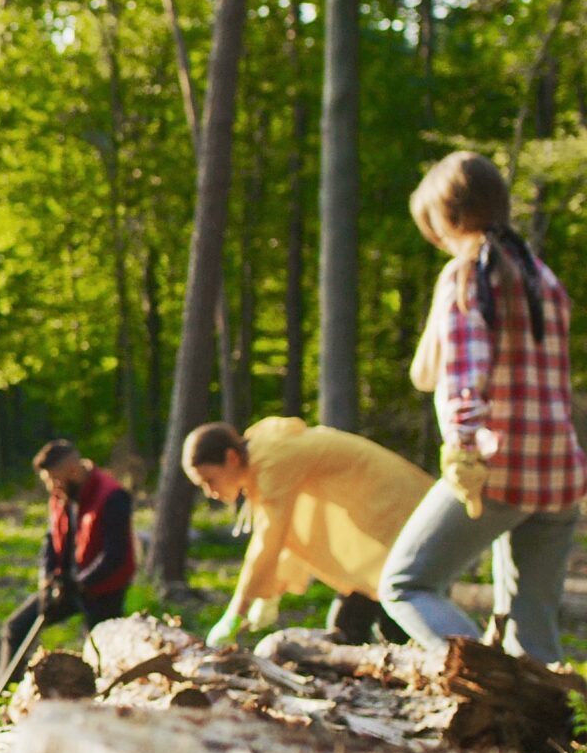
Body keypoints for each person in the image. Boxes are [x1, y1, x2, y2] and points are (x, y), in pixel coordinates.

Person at [377, 152, 586, 662]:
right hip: (560, 473)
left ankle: (485, 674)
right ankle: (543, 733)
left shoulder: (469, 275)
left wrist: (463, 448)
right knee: (532, 630)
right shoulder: (543, 278)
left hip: (498, 468)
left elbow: (464, 377)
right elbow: (426, 372)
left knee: (406, 584)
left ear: (445, 219)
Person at [182, 419, 419, 648]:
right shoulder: (265, 457)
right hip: (379, 526)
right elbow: (291, 532)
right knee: (353, 625)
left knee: (388, 619)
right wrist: (270, 591)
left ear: (231, 458)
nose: (210, 492)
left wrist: (237, 611)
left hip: (393, 510)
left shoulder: (271, 459)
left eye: (209, 480)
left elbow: (269, 538)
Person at [3, 440, 136, 668]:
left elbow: (115, 556)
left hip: (103, 589)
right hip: (65, 585)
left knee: (103, 653)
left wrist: (78, 583)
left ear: (73, 471)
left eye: (54, 479)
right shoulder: (60, 495)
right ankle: (4, 699)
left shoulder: (112, 496)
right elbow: (51, 539)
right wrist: (47, 579)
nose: (52, 487)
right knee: (16, 628)